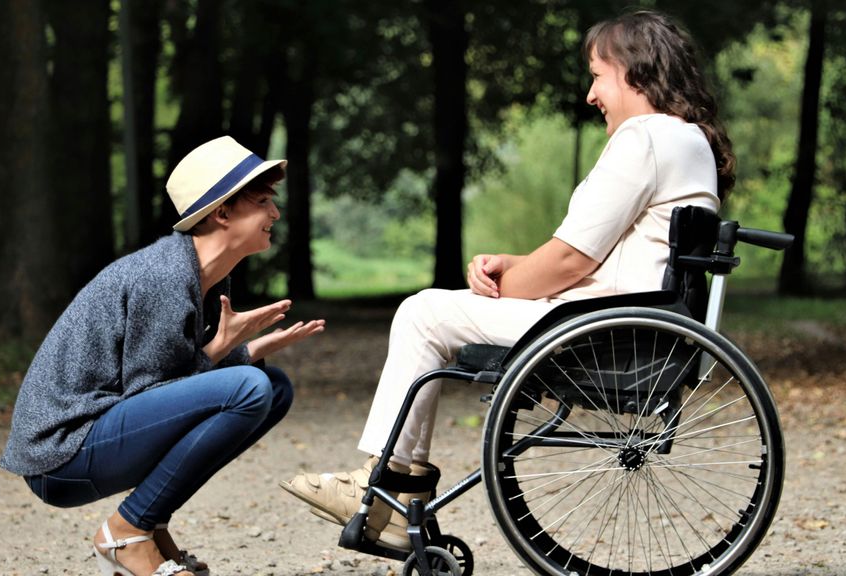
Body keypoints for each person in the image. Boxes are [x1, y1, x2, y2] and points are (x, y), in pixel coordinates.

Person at [280, 9, 735, 552]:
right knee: (436, 310)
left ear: (634, 71)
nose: (591, 95)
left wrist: (504, 285)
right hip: (634, 323)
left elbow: (570, 263)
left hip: (603, 330)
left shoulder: (646, 137)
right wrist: (511, 265)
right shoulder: (688, 141)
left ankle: (387, 494)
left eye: (596, 76)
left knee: (424, 312)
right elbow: (601, 257)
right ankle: (392, 491)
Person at [0, 136, 325, 576]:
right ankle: (127, 532)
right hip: (61, 454)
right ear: (222, 212)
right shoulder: (164, 276)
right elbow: (153, 392)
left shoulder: (206, 277)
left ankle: (147, 523)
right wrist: (225, 350)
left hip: (100, 433)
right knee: (250, 387)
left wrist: (245, 351)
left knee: (273, 386)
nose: (275, 213)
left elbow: (173, 385)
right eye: (264, 201)